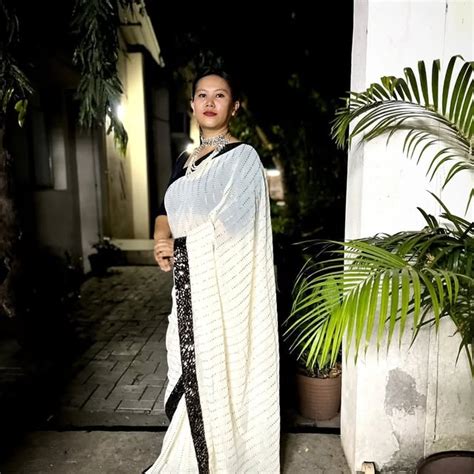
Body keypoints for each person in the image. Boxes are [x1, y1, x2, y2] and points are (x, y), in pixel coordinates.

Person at [143, 69, 280, 473]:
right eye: (202, 95)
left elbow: (233, 222)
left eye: (219, 95)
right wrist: (161, 241)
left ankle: (225, 457)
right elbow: (165, 212)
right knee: (189, 366)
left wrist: (183, 247)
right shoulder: (185, 160)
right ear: (191, 104)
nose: (209, 102)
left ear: (234, 107)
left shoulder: (243, 159)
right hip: (188, 288)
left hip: (224, 292)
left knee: (222, 369)